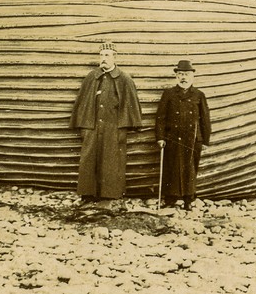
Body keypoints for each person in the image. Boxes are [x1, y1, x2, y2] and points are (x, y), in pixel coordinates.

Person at [71, 43, 142, 202]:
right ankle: (87, 194)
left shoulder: (124, 79)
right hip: (92, 127)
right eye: (101, 55)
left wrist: (123, 129)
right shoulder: (92, 76)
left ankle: (109, 195)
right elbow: (82, 102)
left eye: (107, 55)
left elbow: (131, 105)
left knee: (111, 161)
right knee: (89, 159)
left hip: (113, 128)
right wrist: (84, 127)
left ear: (115, 58)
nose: (103, 59)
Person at [155, 59, 211, 207]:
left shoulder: (199, 95)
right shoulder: (168, 94)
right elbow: (160, 118)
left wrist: (205, 140)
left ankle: (188, 199)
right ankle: (170, 199)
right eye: (180, 74)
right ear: (176, 76)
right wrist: (160, 137)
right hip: (173, 138)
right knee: (172, 168)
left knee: (190, 169)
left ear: (192, 76)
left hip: (193, 139)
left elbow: (205, 119)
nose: (183, 77)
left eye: (186, 74)